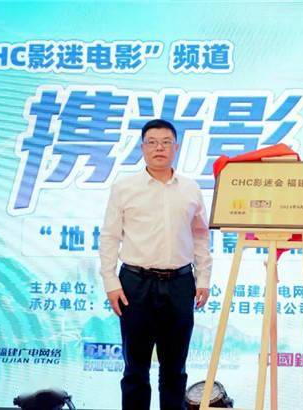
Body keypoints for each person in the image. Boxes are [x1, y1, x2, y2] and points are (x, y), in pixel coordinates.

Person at [99, 119, 212, 410]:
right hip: (135, 284)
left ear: (176, 147)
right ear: (142, 148)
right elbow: (110, 236)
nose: (159, 148)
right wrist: (110, 282)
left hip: (180, 284)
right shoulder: (124, 188)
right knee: (135, 369)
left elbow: (201, 235)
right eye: (152, 142)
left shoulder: (190, 189)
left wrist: (203, 279)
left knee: (175, 369)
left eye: (165, 142)